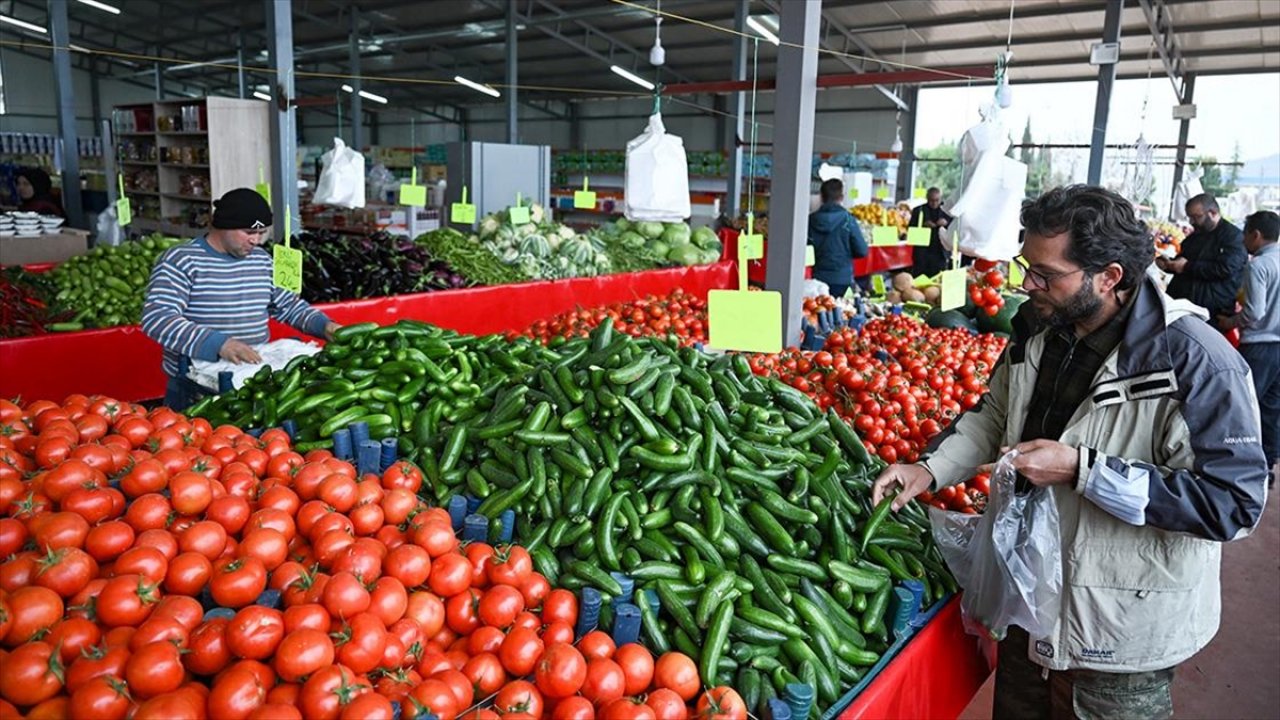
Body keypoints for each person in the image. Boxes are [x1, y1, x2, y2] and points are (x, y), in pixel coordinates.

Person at [872, 185, 1269, 720]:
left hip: (1117, 633)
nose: (1027, 284)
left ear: (1110, 276)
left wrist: (1085, 471)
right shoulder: (1039, 329)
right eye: (1026, 266)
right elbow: (994, 414)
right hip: (1028, 607)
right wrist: (928, 468)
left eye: (1047, 274)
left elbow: (1234, 503)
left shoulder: (1198, 362)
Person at [142, 188, 340, 411]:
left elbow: (288, 305)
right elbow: (157, 318)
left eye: (261, 233)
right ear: (223, 226)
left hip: (253, 378)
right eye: (249, 232)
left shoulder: (262, 260)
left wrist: (325, 326)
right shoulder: (181, 260)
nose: (256, 240)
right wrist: (219, 344)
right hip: (197, 385)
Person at [1215, 210, 1279, 486]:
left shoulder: (1259, 266)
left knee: (1241, 408)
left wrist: (1230, 320)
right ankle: (1266, 468)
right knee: (1271, 410)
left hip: (1260, 347)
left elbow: (1255, 312)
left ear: (1255, 234)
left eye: (1245, 234)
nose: (1242, 240)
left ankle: (1237, 471)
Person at [1157, 193, 1247, 324]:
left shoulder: (1233, 237)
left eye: (1196, 217)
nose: (1192, 222)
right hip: (1182, 304)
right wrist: (1169, 264)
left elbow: (1225, 268)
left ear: (1213, 212)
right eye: (1190, 217)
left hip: (1212, 309)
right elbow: (1182, 260)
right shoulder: (1195, 236)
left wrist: (1187, 267)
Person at [808, 178, 867, 298]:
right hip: (842, 278)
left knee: (819, 312)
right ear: (841, 197)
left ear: (821, 197)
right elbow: (862, 250)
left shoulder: (810, 220)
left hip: (818, 279)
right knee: (842, 313)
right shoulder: (847, 219)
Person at [907, 186, 954, 277]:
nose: (934, 203)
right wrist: (922, 225)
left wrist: (946, 223)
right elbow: (910, 230)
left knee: (939, 278)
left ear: (941, 198)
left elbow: (955, 228)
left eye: (937, 200)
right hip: (922, 253)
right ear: (927, 198)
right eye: (931, 200)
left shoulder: (947, 211)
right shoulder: (918, 210)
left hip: (941, 252)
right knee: (919, 277)